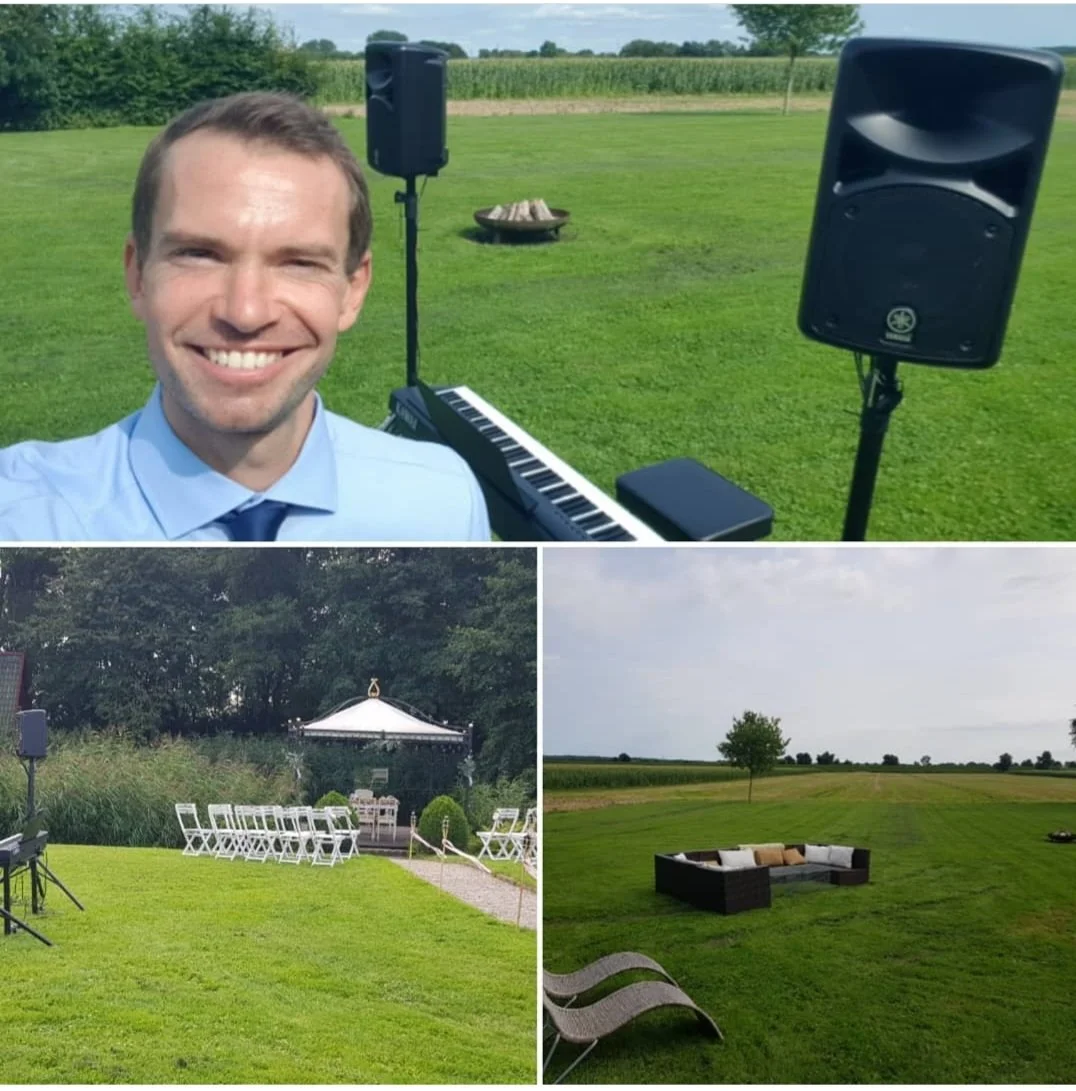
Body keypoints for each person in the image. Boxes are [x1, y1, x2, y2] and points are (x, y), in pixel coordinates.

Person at [0, 92, 490, 541]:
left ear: (352, 290)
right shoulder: (23, 517)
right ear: (138, 277)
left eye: (299, 263)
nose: (246, 311)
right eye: (199, 254)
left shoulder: (443, 503)